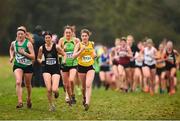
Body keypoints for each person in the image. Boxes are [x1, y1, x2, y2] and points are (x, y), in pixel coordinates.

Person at [37, 31, 65, 111]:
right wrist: (41, 61)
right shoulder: (41, 48)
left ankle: (56, 92)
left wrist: (63, 61)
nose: (47, 39)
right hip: (46, 69)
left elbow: (64, 54)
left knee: (54, 89)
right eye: (46, 38)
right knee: (49, 89)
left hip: (55, 69)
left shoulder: (56, 47)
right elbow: (38, 58)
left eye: (49, 37)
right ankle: (51, 105)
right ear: (44, 39)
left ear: (51, 38)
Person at [9, 26, 35, 108]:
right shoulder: (14, 43)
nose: (20, 36)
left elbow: (33, 57)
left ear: (25, 35)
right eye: (18, 34)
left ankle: (29, 98)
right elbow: (11, 49)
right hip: (18, 65)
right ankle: (20, 101)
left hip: (28, 66)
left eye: (21, 34)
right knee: (18, 82)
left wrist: (24, 53)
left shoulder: (28, 43)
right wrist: (11, 56)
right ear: (17, 35)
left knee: (27, 84)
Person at [73, 29, 96, 111]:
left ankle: (87, 103)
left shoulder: (92, 44)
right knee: (83, 87)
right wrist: (81, 50)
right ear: (81, 37)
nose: (84, 37)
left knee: (88, 84)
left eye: (86, 36)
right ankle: (84, 97)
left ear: (88, 36)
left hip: (90, 66)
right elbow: (74, 56)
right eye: (83, 36)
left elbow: (93, 54)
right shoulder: (78, 45)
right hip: (81, 67)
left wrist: (94, 55)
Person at [58, 25, 79, 105]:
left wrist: (75, 52)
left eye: (69, 32)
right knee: (65, 83)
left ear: (72, 33)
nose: (68, 34)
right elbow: (58, 51)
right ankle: (69, 96)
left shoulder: (76, 40)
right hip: (64, 63)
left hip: (73, 63)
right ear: (64, 33)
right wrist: (63, 50)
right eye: (66, 32)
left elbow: (79, 51)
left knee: (71, 80)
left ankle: (72, 94)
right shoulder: (61, 40)